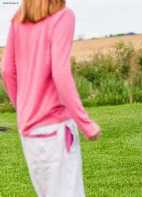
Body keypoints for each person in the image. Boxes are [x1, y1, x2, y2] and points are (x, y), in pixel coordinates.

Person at [1, 1, 101, 196]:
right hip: (56, 128)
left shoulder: (18, 19)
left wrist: (24, 108)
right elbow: (60, 73)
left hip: (29, 131)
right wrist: (85, 123)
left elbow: (7, 71)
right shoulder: (63, 16)